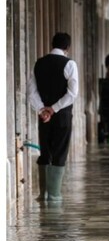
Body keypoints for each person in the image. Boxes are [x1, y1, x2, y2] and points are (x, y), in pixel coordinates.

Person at [27, 33, 78, 201]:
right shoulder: (69, 64)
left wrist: (43, 110)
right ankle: (55, 195)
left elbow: (31, 91)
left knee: (45, 151)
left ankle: (43, 194)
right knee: (60, 151)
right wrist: (54, 108)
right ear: (67, 48)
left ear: (52, 44)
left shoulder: (39, 63)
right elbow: (72, 93)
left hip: (44, 116)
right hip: (62, 115)